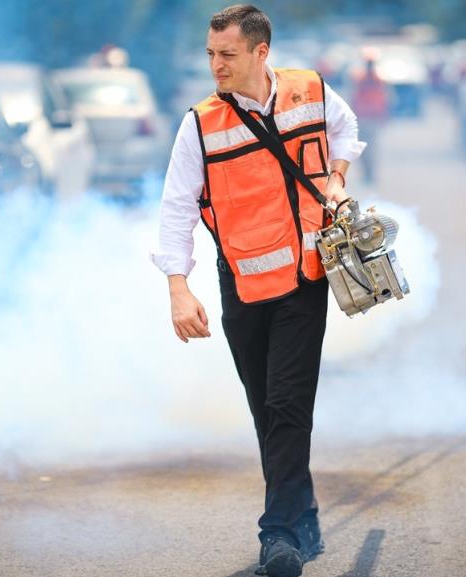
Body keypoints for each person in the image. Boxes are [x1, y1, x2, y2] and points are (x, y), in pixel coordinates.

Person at [149, 5, 364, 576]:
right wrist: (178, 287)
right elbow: (176, 206)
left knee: (286, 406)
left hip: (304, 277)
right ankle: (306, 513)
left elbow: (346, 128)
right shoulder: (199, 123)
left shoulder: (309, 91)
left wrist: (337, 177)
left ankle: (279, 535)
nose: (216, 65)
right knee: (267, 414)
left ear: (260, 52)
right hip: (240, 285)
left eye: (227, 55)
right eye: (210, 55)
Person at [351, 47, 389, 184]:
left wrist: (383, 115)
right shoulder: (359, 78)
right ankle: (367, 173)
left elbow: (384, 98)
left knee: (370, 147)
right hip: (361, 117)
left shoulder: (378, 79)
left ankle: (370, 173)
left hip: (372, 117)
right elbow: (354, 96)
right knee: (362, 148)